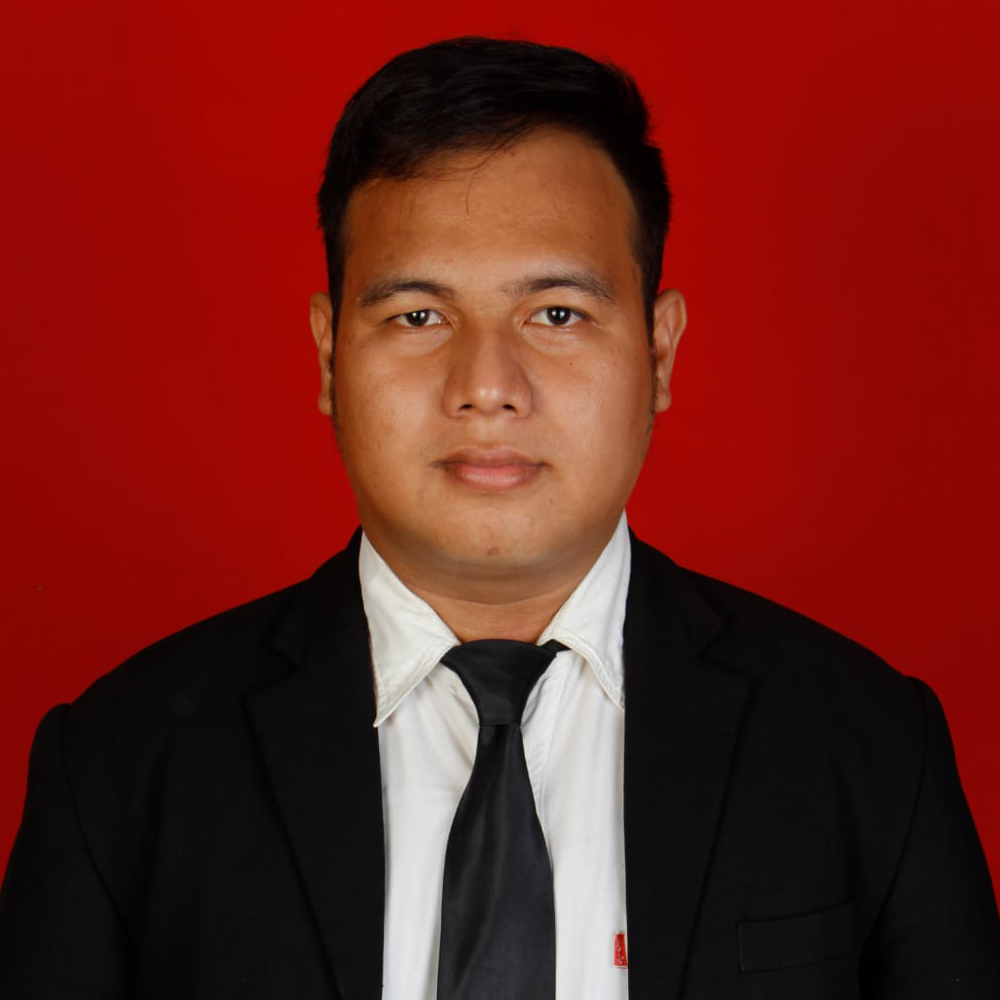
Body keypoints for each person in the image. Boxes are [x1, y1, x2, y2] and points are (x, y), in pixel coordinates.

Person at [1, 35, 998, 1000]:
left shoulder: (870, 747)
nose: (486, 386)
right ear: (328, 355)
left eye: (556, 314)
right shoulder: (117, 770)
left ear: (658, 353)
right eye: (419, 316)